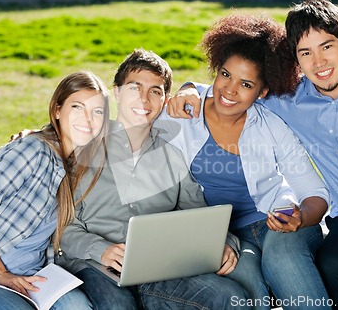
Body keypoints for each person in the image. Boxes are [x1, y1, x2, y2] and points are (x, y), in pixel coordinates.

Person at [168, 0, 338, 309]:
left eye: (327, 46)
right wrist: (190, 88)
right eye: (306, 53)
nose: (319, 63)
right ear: (296, 61)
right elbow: (235, 90)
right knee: (331, 266)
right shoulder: (290, 97)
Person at [156, 13, 331, 310]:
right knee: (251, 295)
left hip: (275, 220)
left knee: (283, 259)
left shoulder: (271, 125)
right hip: (220, 234)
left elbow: (316, 194)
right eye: (225, 74)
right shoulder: (183, 113)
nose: (230, 90)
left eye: (246, 84)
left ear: (262, 92)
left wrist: (300, 217)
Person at [58, 49, 250, 310]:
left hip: (157, 269)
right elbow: (63, 226)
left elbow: (200, 215)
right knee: (118, 306)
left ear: (165, 100)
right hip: (94, 266)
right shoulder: (84, 148)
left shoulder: (173, 157)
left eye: (155, 91)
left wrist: (225, 242)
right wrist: (99, 249)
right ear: (116, 92)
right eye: (134, 88)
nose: (144, 99)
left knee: (230, 298)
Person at [0, 70, 110, 310]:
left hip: (33, 276)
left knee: (78, 307)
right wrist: (0, 274)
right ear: (58, 111)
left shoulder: (79, 168)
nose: (88, 119)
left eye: (97, 111)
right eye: (77, 107)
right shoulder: (30, 151)